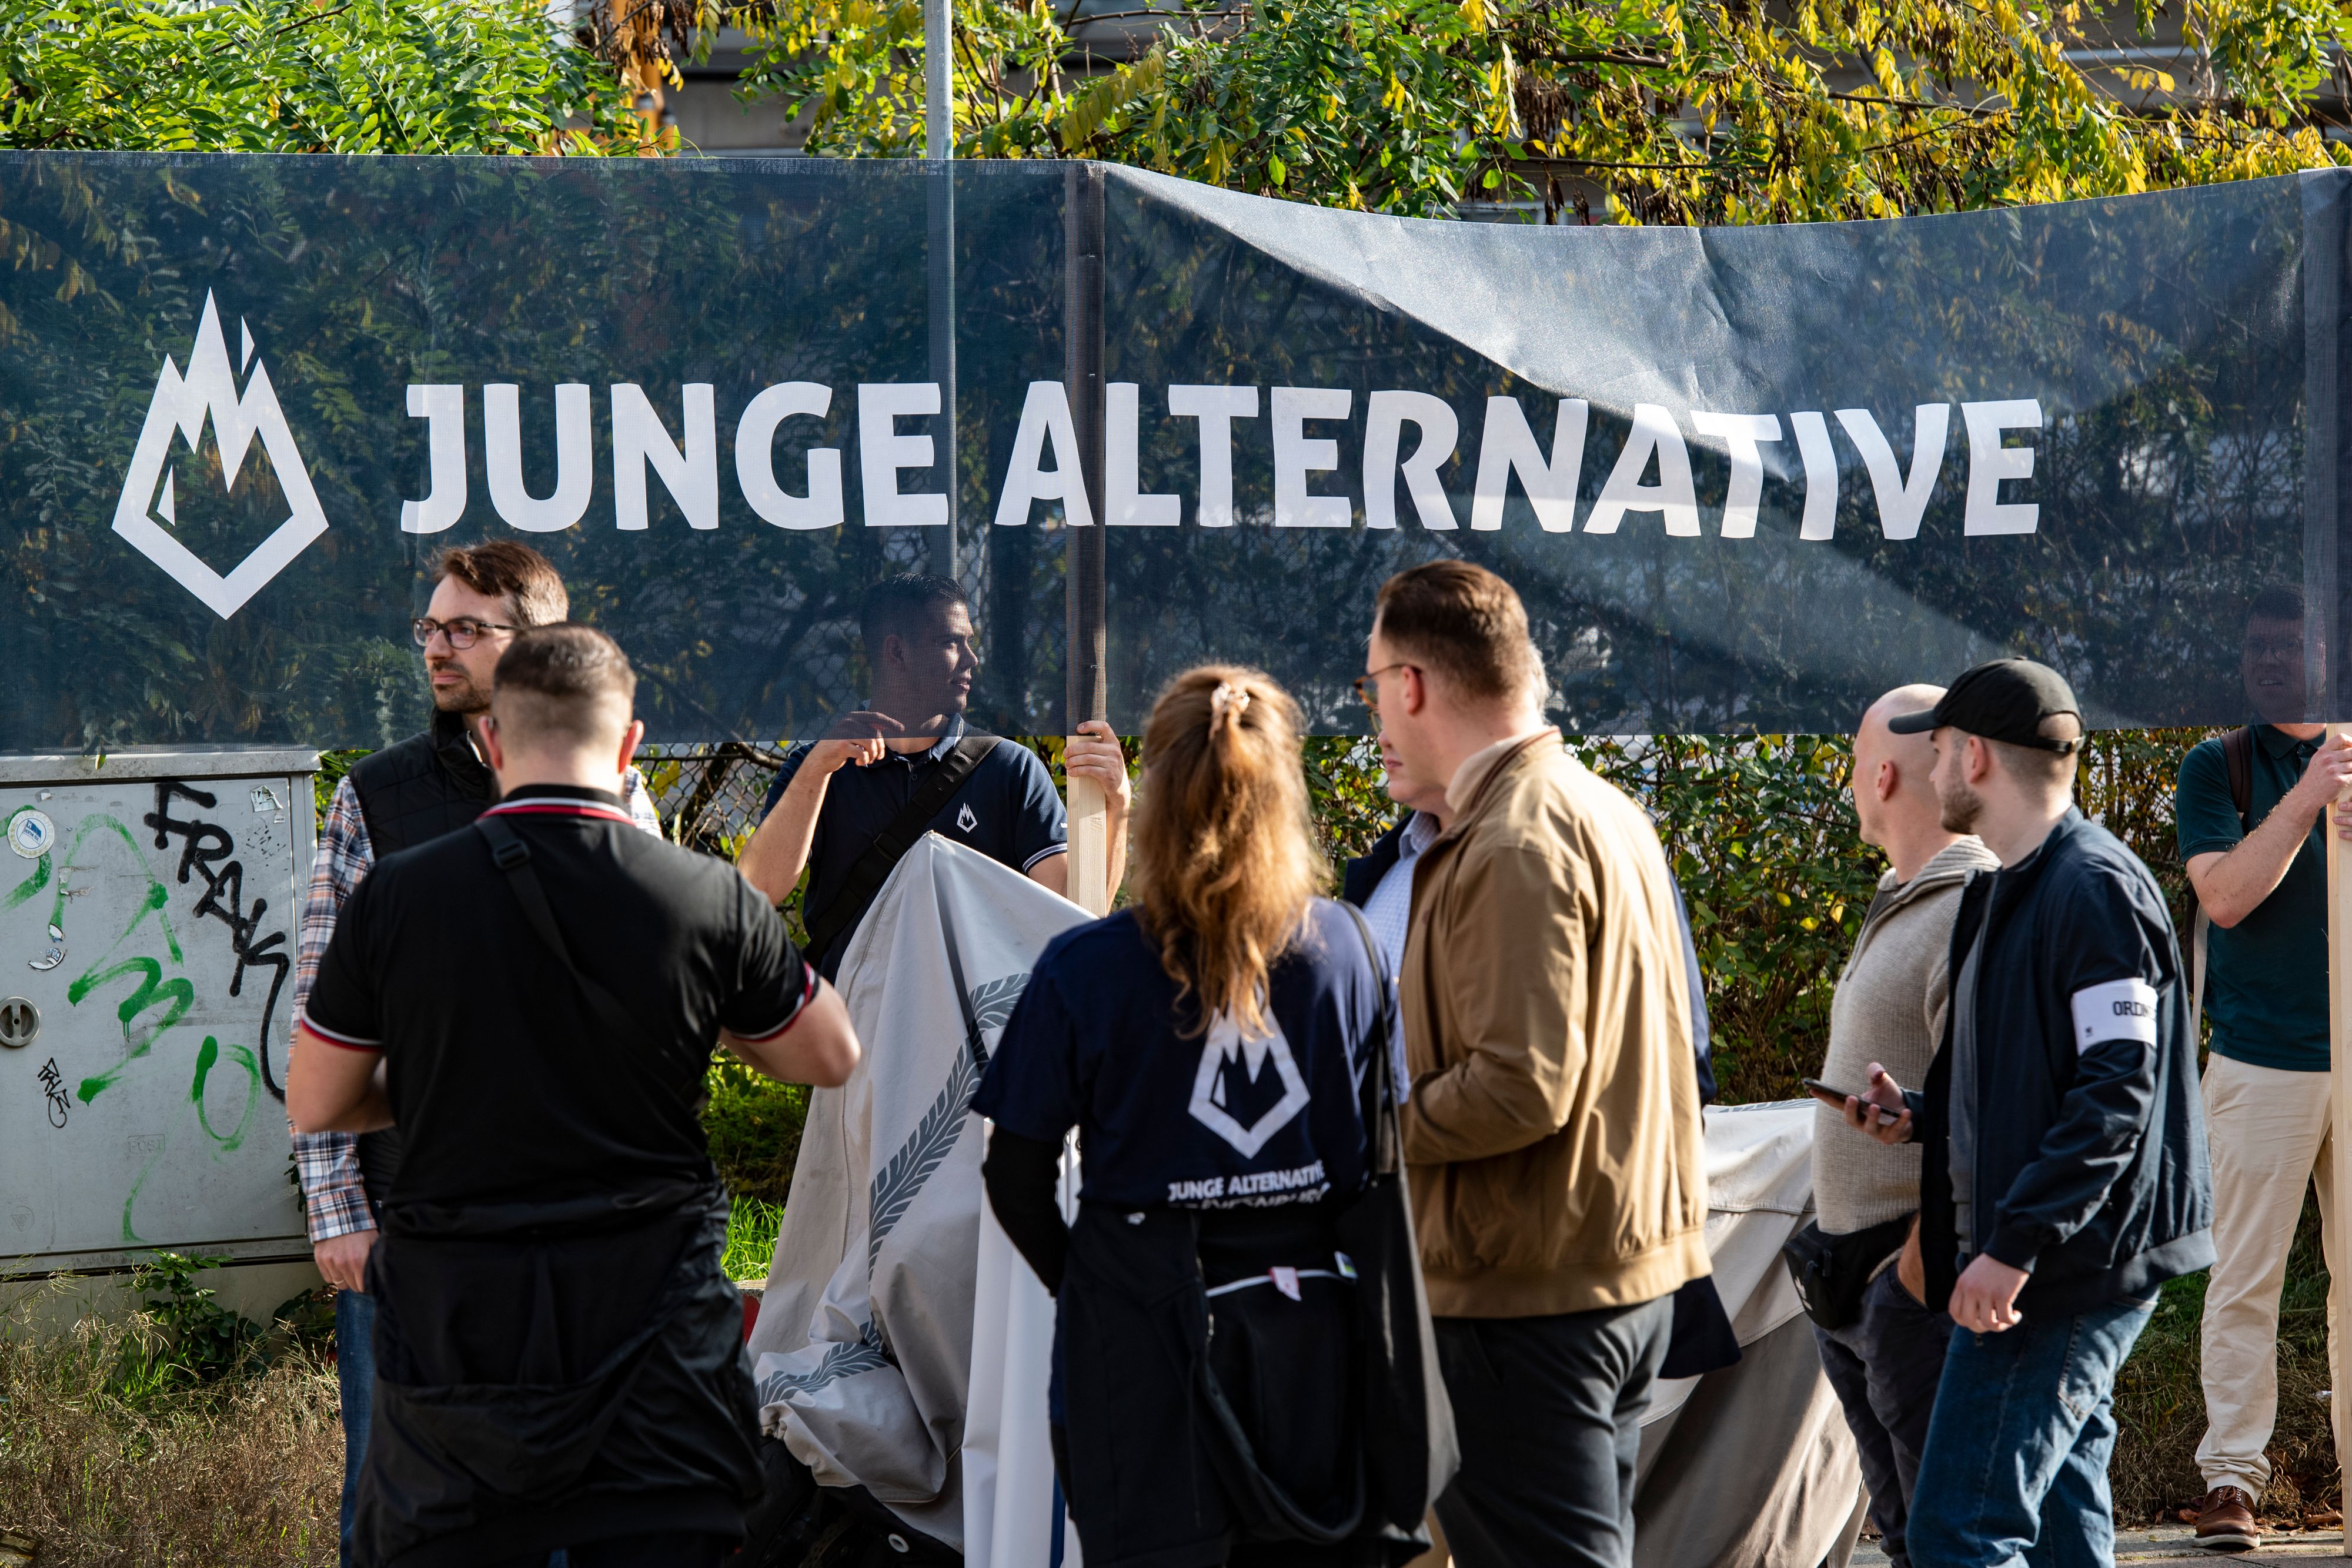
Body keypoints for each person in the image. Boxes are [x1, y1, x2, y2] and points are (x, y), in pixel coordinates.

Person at [288, 624, 861, 1568]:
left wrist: (450, 1073)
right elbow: (830, 1052)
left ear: (499, 745)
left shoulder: (399, 894)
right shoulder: (705, 898)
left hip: (459, 1341)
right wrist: (693, 1016)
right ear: (631, 744)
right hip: (656, 1341)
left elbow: (318, 1097)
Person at [974, 666, 1401, 1566]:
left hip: (1139, 1348)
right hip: (1312, 1337)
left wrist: (1093, 1285)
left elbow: (1014, 1174)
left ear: (1154, 795)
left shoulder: (1084, 970)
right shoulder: (1347, 948)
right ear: (1288, 794)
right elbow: (1379, 1162)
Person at [290, 540, 664, 1565]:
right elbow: (320, 1015)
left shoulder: (619, 796)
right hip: (411, 1228)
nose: (437, 647)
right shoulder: (376, 798)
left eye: (466, 628)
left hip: (581, 1229)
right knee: (400, 1511)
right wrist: (338, 1213)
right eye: (431, 627)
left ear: (536, 644)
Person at [1359, 560, 1709, 1568]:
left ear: (1414, 684)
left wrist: (1363, 1130)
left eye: (1374, 684)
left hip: (1529, 1304)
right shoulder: (1601, 810)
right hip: (1601, 1280)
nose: (1375, 713)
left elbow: (1522, 1084)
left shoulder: (1515, 837)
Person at [1843, 658, 2214, 1568]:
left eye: (1936, 754)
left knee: (1960, 1532)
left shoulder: (2093, 889)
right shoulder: (2004, 888)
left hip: (2064, 1271)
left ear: (1973, 757)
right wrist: (1925, 1116)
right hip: (2051, 1257)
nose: (1929, 777)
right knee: (2057, 1519)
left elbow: (2116, 1093)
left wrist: (2011, 1249)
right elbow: (2042, 1078)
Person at [1802, 685, 1997, 1568]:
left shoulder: (1970, 903)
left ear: (1880, 775)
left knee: (1952, 1538)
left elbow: (1991, 1107)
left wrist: (1914, 1271)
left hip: (1911, 1290)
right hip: (1861, 1287)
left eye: (1852, 763)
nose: (1851, 783)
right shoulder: (1902, 892)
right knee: (1912, 1541)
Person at [2179, 585, 2352, 1551]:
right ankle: (2232, 1483)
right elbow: (2230, 897)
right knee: (2244, 1280)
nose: (2272, 664)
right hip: (2260, 1064)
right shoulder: (2222, 765)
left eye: (2289, 646)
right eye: (2256, 650)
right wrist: (2308, 797)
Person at [738, 573, 1130, 972]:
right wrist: (815, 771)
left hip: (976, 1026)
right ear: (896, 652)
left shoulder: (1009, 768)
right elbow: (756, 890)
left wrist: (1118, 806)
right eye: (950, 642)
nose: (971, 658)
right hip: (854, 1026)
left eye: (969, 641)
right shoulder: (819, 767)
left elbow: (1073, 917)